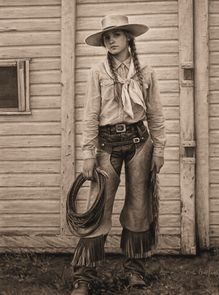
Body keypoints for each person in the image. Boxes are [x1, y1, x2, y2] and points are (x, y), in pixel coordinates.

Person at [71, 14, 166, 295]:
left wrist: (159, 149)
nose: (111, 40)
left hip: (140, 143)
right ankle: (83, 277)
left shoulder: (145, 70)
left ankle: (135, 271)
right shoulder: (98, 71)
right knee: (97, 206)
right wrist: (87, 153)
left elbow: (156, 114)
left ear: (128, 38)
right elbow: (90, 115)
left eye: (116, 35)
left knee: (139, 207)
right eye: (106, 37)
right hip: (106, 144)